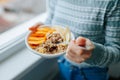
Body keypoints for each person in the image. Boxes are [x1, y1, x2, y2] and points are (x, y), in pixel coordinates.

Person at [45, 0, 120, 80]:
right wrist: (42, 29)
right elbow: (50, 23)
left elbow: (117, 51)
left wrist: (93, 54)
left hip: (91, 72)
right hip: (62, 62)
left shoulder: (113, 3)